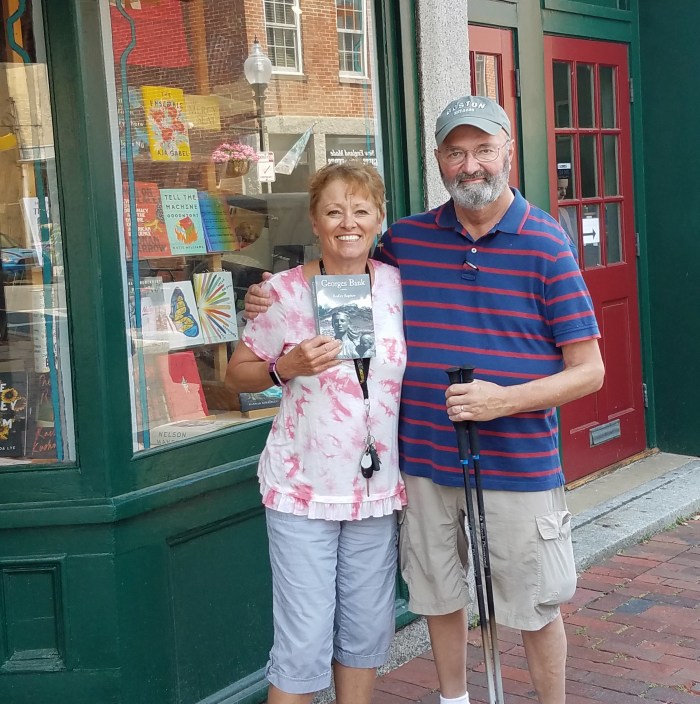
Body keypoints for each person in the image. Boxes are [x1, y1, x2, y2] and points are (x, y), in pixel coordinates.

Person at [244, 96, 604, 704]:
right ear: (438, 159)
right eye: (456, 152)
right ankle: (452, 698)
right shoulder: (407, 241)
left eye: (483, 149)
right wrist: (271, 291)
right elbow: (344, 257)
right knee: (438, 595)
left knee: (534, 603)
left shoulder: (546, 243)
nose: (471, 165)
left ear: (508, 152)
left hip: (517, 464)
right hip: (422, 464)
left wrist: (505, 401)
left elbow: (590, 371)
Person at [225, 161, 407, 704]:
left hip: (375, 491)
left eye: (360, 210)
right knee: (302, 646)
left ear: (379, 218)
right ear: (314, 221)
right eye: (333, 211)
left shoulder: (398, 286)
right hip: (303, 490)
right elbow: (236, 375)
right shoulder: (281, 293)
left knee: (366, 635)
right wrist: (285, 367)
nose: (348, 223)